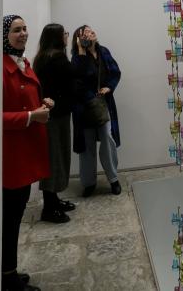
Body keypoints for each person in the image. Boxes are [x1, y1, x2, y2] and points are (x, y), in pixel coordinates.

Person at [2, 15, 52, 291]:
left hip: (25, 152)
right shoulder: (0, 68)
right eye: (15, 30)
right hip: (12, 157)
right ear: (4, 35)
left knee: (15, 216)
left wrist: (41, 102)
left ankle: (9, 270)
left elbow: (23, 98)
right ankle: (6, 277)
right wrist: (32, 116)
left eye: (24, 29)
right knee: (8, 220)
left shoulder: (22, 62)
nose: (23, 34)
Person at [71, 25, 122, 197]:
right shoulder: (77, 58)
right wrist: (81, 51)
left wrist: (109, 87)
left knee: (108, 140)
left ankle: (114, 179)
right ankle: (89, 183)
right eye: (85, 33)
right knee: (87, 146)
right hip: (84, 109)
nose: (90, 33)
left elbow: (116, 72)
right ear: (79, 39)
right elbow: (78, 81)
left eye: (91, 30)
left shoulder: (104, 51)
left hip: (102, 105)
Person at [33, 23, 75, 223]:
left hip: (53, 114)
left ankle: (53, 200)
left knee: (54, 157)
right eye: (64, 33)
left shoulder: (43, 58)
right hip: (56, 116)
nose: (67, 36)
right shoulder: (56, 59)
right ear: (57, 37)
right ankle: (49, 208)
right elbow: (69, 85)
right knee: (55, 158)